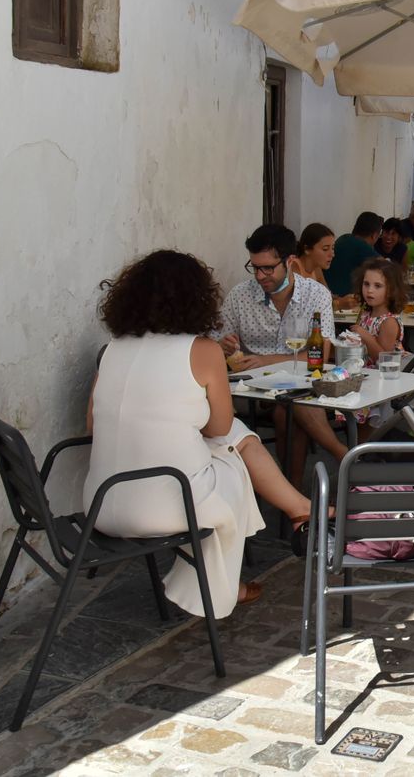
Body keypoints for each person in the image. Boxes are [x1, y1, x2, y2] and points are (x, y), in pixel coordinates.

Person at [85, 250, 314, 616]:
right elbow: (218, 427)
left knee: (231, 448)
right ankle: (227, 581)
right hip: (161, 508)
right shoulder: (203, 351)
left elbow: (93, 426)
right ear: (197, 298)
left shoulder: (113, 349)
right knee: (235, 453)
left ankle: (299, 510)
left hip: (100, 503)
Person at [216, 224, 347, 480]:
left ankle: (293, 496)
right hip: (251, 389)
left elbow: (322, 350)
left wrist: (267, 360)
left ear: (290, 262)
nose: (260, 275)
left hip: (301, 385)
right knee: (291, 405)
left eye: (268, 267)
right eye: (255, 267)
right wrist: (225, 345)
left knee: (288, 407)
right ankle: (343, 456)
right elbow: (216, 343)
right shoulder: (240, 295)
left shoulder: (316, 294)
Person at [350, 257, 405, 363]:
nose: (370, 291)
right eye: (366, 284)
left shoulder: (389, 322)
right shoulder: (365, 314)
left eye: (377, 286)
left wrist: (365, 335)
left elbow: (383, 359)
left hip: (386, 376)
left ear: (391, 290)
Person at [328, 212, 382, 305]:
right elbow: (388, 268)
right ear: (374, 235)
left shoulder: (343, 238)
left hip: (330, 297)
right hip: (345, 302)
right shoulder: (361, 246)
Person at [288, 223, 337, 291]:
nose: (332, 254)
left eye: (332, 248)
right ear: (307, 249)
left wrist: (341, 301)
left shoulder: (317, 268)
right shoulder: (294, 269)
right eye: (325, 249)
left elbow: (327, 294)